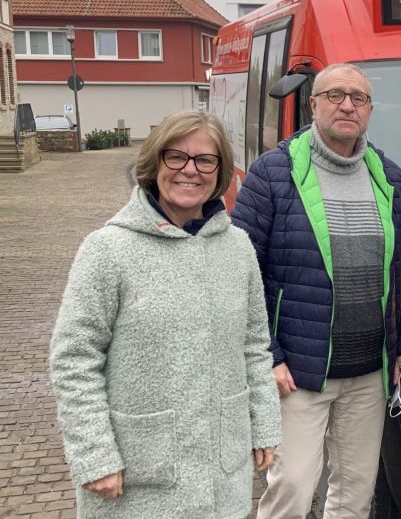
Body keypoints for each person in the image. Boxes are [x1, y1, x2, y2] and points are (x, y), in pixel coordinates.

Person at [49, 110, 282, 518]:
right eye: (176, 157)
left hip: (219, 470)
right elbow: (75, 361)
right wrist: (95, 454)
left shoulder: (237, 248)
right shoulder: (107, 250)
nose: (190, 171)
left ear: (220, 170)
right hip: (138, 474)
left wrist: (263, 425)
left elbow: (253, 347)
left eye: (204, 160)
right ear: (154, 163)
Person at [231, 63, 401, 519]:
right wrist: (268, 355)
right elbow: (241, 272)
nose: (347, 105)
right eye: (335, 95)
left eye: (358, 98)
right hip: (298, 371)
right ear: (312, 104)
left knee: (354, 492)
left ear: (370, 111)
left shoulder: (390, 178)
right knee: (292, 488)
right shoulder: (271, 175)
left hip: (369, 372)